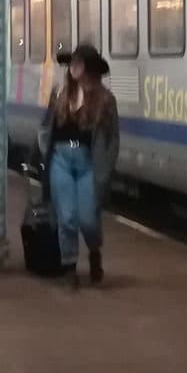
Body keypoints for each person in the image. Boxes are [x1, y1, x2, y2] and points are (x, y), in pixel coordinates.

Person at [37, 44, 118, 289]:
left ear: (90, 68)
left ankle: (94, 251)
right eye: (72, 62)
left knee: (88, 219)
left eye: (79, 63)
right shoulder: (60, 92)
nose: (73, 67)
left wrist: (104, 170)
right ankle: (69, 267)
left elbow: (111, 139)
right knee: (67, 217)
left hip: (87, 162)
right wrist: (44, 151)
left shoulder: (105, 100)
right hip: (61, 159)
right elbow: (46, 125)